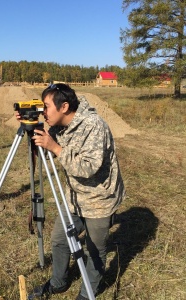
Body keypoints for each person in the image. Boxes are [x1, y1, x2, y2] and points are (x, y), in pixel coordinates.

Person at [17, 83, 125, 300]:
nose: (43, 112)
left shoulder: (94, 125)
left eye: (45, 107)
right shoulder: (58, 127)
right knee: (59, 239)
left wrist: (55, 147)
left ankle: (86, 294)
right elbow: (51, 157)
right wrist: (35, 134)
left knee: (93, 251)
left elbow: (88, 167)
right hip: (74, 196)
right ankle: (59, 282)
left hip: (100, 198)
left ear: (64, 106)